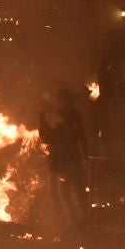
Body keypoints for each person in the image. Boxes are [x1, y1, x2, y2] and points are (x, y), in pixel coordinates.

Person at [38, 87, 89, 228]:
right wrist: (85, 155)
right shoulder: (66, 116)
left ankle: (72, 221)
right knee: (75, 190)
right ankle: (78, 220)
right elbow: (82, 137)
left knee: (65, 192)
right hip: (68, 159)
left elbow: (45, 138)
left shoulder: (57, 116)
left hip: (62, 160)